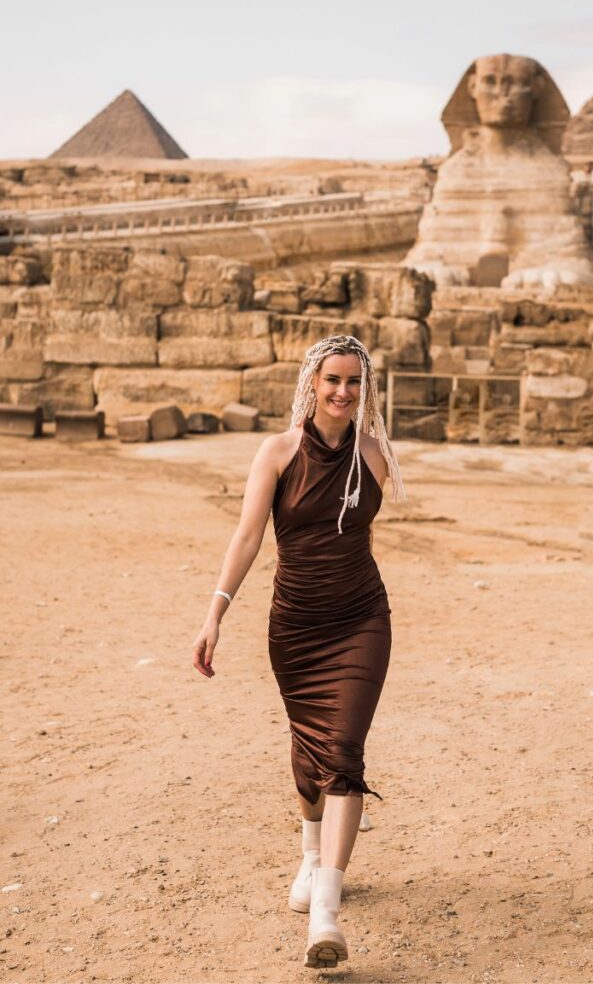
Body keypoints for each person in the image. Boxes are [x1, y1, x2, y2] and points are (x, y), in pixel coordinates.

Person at [192, 333, 407, 969]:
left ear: (363, 389)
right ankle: (311, 854)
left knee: (343, 752)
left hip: (363, 619)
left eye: (353, 382)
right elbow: (247, 535)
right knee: (310, 753)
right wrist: (214, 615)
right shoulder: (278, 452)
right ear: (312, 383)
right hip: (297, 628)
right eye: (332, 379)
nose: (342, 392)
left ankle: (327, 913)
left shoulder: (375, 454)